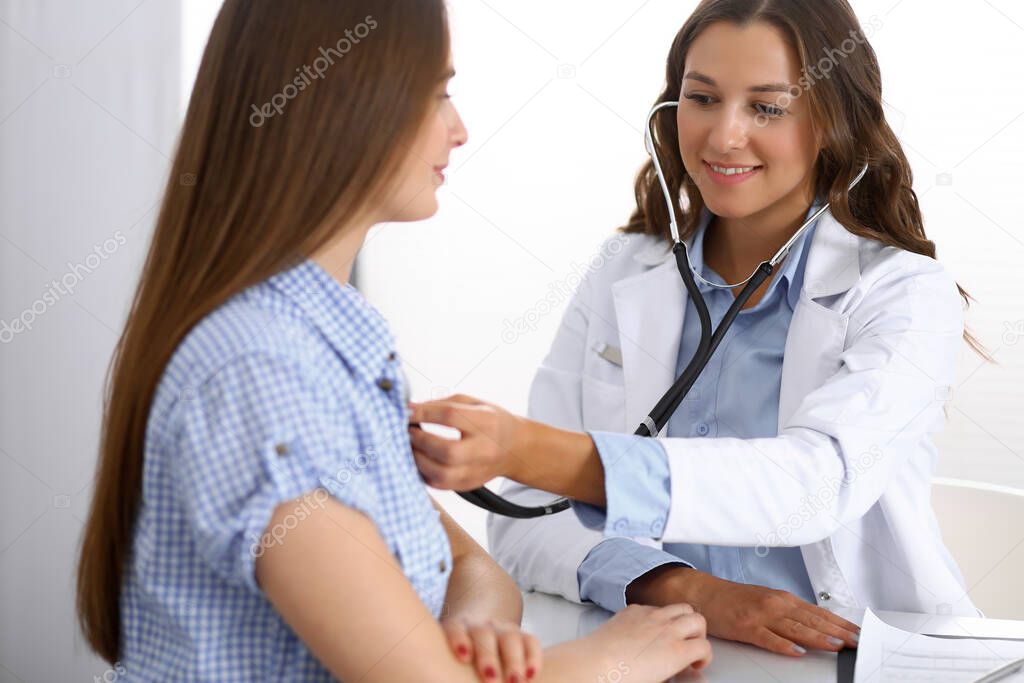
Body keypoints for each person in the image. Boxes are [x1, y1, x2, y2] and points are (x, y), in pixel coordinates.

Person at [74, 1, 713, 681]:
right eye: (437, 94)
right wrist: (618, 656)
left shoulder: (335, 343)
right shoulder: (257, 371)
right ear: (345, 105)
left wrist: (466, 637)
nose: (459, 129)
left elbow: (474, 569)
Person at [408, 0, 985, 660]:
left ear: (832, 123)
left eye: (766, 107)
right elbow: (528, 520)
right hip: (661, 651)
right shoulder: (622, 271)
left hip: (850, 657)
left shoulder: (904, 292)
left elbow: (818, 480)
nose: (723, 136)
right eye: (702, 98)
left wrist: (533, 448)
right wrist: (687, 588)